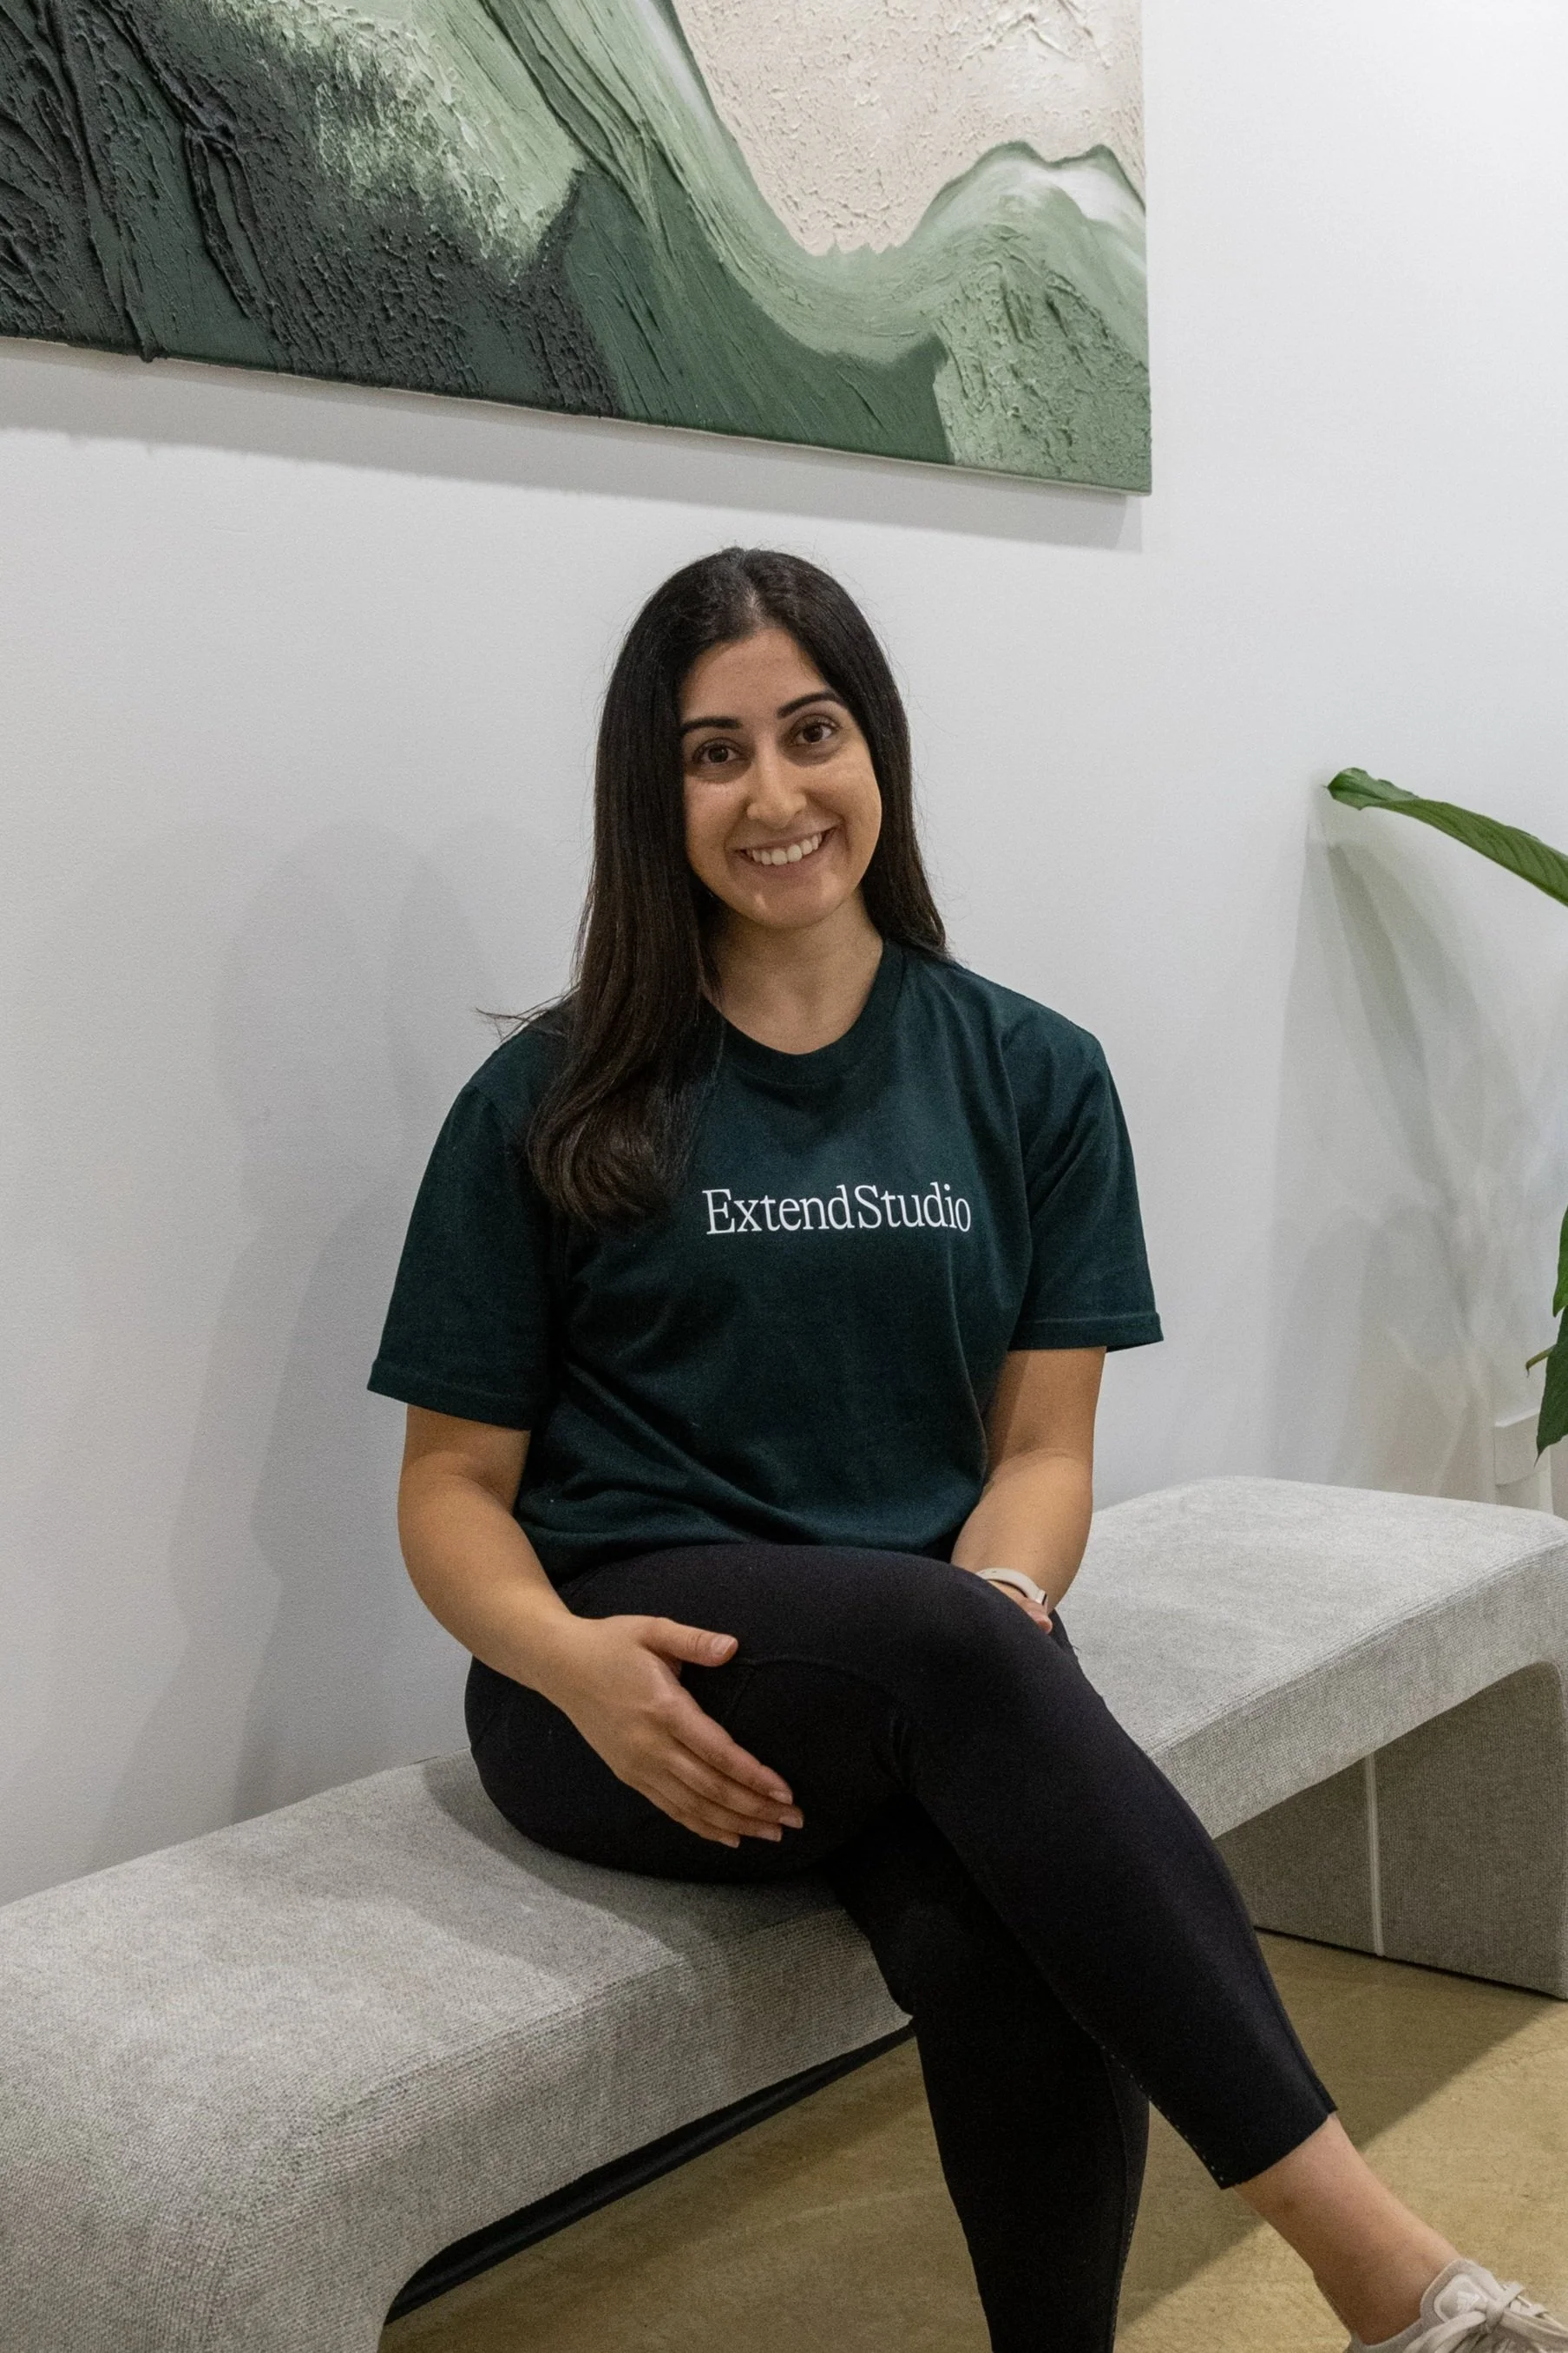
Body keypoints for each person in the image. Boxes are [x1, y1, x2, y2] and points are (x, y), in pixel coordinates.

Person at [369, 547, 1566, 2353]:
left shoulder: (1032, 1071)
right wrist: (568, 1664)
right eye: (713, 755)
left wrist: (998, 1605)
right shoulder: (547, 1099)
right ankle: (1381, 2268)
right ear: (653, 796)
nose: (775, 794)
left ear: (880, 751)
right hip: (622, 1678)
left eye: (812, 731)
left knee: (997, 1890)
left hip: (930, 1660)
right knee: (964, 1654)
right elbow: (451, 1492)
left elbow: (1043, 1452)